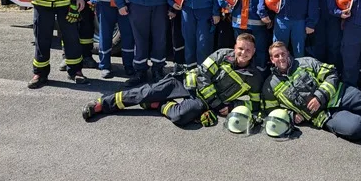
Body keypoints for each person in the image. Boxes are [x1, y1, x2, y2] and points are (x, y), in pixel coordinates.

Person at [82, 34, 263, 127]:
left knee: (180, 117)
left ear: (254, 52)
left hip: (202, 101)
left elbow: (255, 104)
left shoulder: (254, 77)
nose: (243, 53)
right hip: (187, 82)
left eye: (248, 50)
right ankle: (102, 104)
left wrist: (231, 108)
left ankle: (158, 106)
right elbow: (202, 75)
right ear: (235, 47)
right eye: (240, 48)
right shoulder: (222, 54)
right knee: (146, 92)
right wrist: (216, 104)